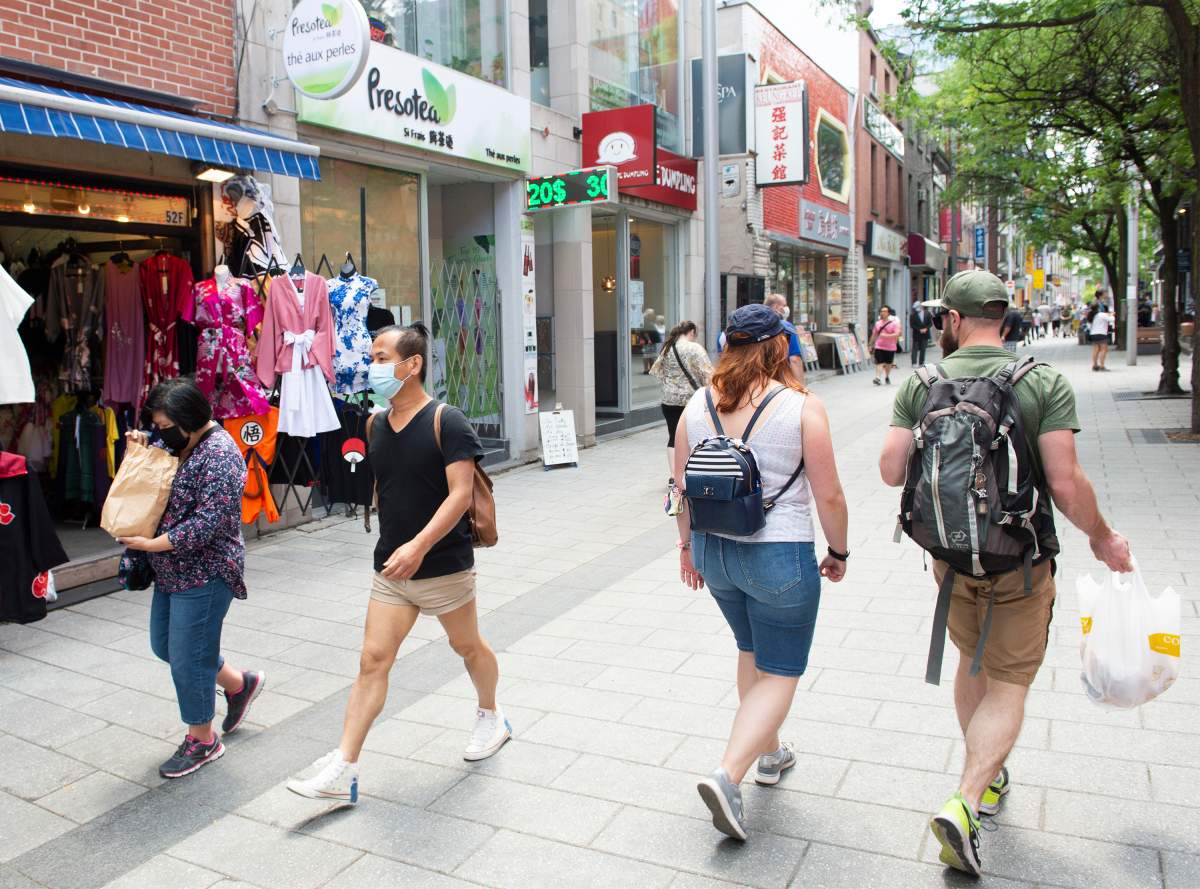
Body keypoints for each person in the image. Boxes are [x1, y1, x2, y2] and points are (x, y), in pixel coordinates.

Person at [879, 270, 1132, 878]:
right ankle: (967, 799)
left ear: (956, 321)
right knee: (1010, 681)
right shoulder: (1040, 381)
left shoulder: (921, 383)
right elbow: (1065, 483)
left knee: (973, 661)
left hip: (949, 559)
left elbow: (890, 471)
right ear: (1005, 318)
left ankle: (986, 782)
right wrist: (1103, 537)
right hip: (1018, 559)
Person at [287, 323, 507, 804]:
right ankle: (345, 765)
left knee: (467, 646)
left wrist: (419, 547)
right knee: (372, 660)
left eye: (383, 356)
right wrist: (397, 550)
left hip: (443, 565)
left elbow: (460, 495)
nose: (374, 365)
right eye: (373, 356)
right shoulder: (374, 424)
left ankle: (491, 714)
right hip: (390, 570)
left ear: (413, 365)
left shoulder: (447, 420)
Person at [673, 303, 848, 842]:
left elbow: (678, 487)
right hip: (780, 555)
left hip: (713, 552)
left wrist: (685, 546)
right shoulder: (802, 407)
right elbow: (830, 494)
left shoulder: (696, 405)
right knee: (782, 669)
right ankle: (729, 775)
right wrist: (839, 552)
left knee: (751, 652)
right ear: (779, 347)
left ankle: (769, 753)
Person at [117, 378, 265, 779]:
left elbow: (207, 525)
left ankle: (203, 739)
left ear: (189, 420)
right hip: (172, 569)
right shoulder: (176, 443)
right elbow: (153, 475)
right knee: (166, 645)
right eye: (157, 425)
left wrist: (149, 546)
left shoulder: (221, 455)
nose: (160, 432)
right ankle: (239, 684)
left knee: (188, 657)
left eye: (165, 425)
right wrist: (139, 445)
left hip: (207, 572)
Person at [650, 320, 713, 487]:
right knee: (694, 436)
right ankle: (691, 473)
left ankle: (673, 476)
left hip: (668, 400)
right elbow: (708, 375)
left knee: (673, 437)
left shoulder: (667, 347)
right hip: (691, 401)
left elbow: (657, 371)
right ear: (691, 332)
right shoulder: (695, 348)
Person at [762, 293, 806, 384]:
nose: (786, 308)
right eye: (784, 305)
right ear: (776, 306)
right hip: (780, 379)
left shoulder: (754, 325)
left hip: (756, 381)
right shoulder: (786, 327)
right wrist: (802, 388)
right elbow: (795, 360)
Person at [869, 305, 901, 385]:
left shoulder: (894, 323)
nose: (882, 313)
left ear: (888, 313)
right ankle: (878, 378)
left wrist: (886, 336)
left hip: (890, 347)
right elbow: (874, 334)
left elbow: (897, 334)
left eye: (884, 311)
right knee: (879, 362)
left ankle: (887, 376)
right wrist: (870, 344)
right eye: (881, 311)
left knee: (888, 364)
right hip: (879, 346)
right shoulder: (878, 323)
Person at [1088, 299, 1115, 372]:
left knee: (1095, 349)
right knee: (1104, 350)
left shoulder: (1091, 315)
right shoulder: (1101, 314)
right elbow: (1112, 319)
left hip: (1093, 334)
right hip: (1101, 334)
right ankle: (1102, 366)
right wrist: (1111, 314)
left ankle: (1095, 365)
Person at [910, 296, 932, 366]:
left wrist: (926, 328)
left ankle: (921, 362)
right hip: (916, 334)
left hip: (925, 334)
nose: (917, 310)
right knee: (915, 349)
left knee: (923, 349)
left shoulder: (927, 313)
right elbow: (912, 325)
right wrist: (919, 329)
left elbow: (930, 323)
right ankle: (914, 362)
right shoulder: (913, 315)